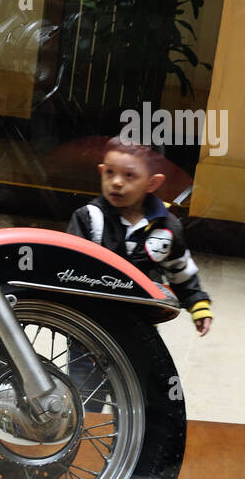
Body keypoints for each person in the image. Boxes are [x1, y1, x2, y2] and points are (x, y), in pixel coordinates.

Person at [66, 137, 212, 335]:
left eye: (129, 175)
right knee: (84, 366)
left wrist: (198, 304)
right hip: (89, 322)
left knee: (143, 364)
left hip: (142, 323)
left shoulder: (167, 226)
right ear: (101, 171)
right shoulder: (89, 218)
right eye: (110, 172)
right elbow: (68, 267)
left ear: (152, 183)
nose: (116, 182)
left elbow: (180, 270)